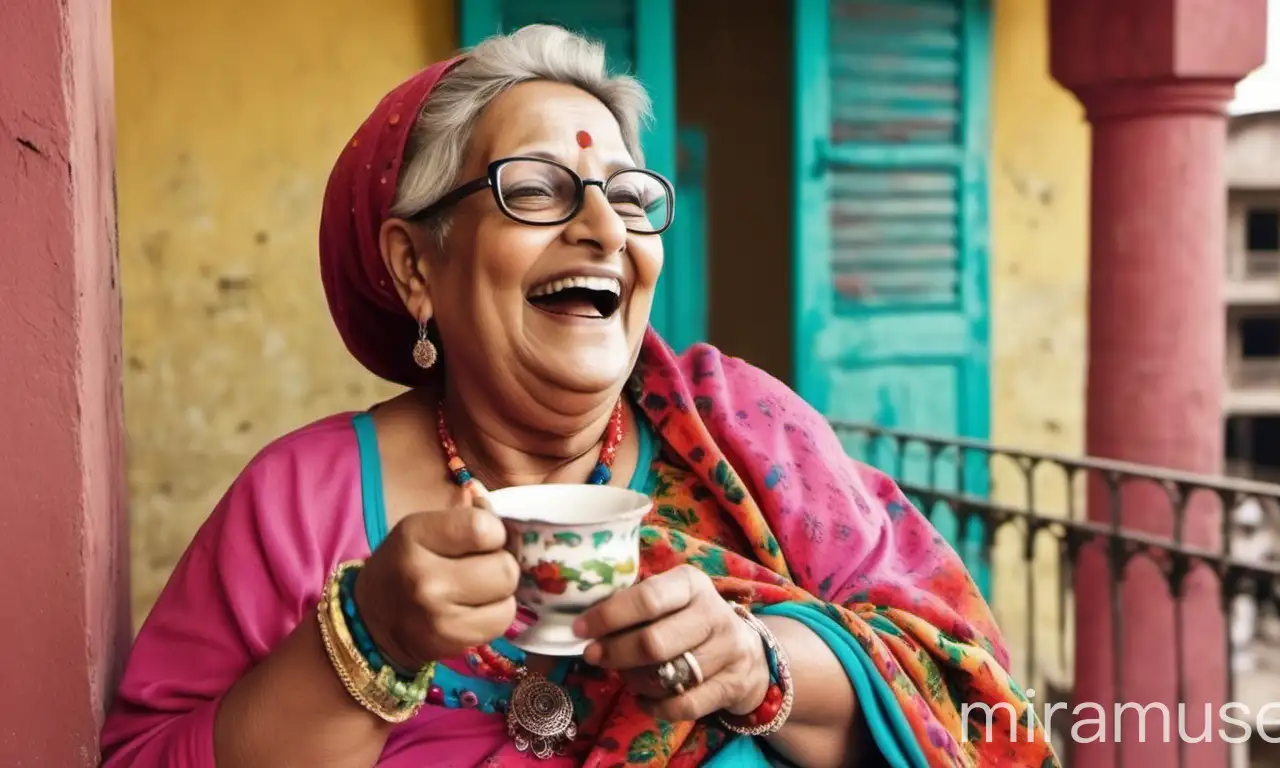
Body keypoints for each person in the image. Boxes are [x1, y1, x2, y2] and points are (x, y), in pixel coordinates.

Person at [99, 24, 1058, 768]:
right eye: (539, 189)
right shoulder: (300, 504)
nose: (605, 226)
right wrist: (370, 639)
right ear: (414, 266)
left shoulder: (750, 438)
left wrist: (761, 663)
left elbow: (969, 694)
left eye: (630, 195)